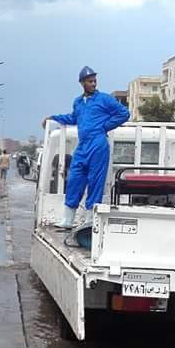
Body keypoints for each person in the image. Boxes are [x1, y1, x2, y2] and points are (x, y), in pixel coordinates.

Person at [43, 66, 130, 229]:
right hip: (83, 145)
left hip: (98, 143)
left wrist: (105, 126)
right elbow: (73, 117)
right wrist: (53, 118)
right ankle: (68, 219)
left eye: (94, 81)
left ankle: (90, 220)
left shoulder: (104, 99)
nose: (93, 84)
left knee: (95, 181)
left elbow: (124, 113)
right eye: (90, 81)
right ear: (82, 83)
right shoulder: (78, 102)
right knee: (75, 178)